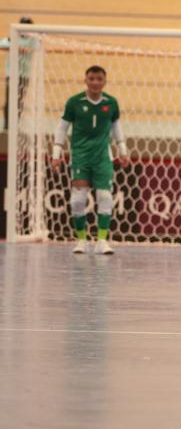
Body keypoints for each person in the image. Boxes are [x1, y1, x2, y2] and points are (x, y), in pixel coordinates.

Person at [50, 66, 130, 254]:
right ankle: (81, 241)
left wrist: (123, 150)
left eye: (99, 79)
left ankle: (102, 241)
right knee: (78, 200)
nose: (95, 82)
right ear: (85, 80)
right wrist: (56, 154)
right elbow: (62, 128)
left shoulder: (111, 103)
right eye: (92, 78)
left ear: (104, 81)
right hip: (80, 157)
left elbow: (116, 126)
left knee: (105, 197)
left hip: (103, 157)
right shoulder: (74, 102)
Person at [1, 16, 35, 131]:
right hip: (12, 74)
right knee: (9, 101)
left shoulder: (32, 39)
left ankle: (15, 125)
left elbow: (32, 48)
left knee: (19, 102)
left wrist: (16, 47)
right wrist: (13, 44)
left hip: (24, 75)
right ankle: (7, 126)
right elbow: (2, 44)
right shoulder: (13, 37)